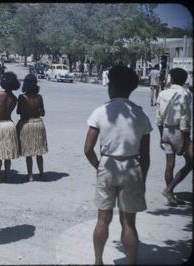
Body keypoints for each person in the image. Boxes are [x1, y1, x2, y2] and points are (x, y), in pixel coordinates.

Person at [84, 65, 152, 265]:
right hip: (132, 168)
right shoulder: (139, 114)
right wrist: (143, 179)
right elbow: (146, 155)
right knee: (129, 223)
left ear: (111, 87)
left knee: (103, 219)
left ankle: (98, 261)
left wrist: (99, 167)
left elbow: (88, 148)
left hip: (108, 165)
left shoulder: (101, 111)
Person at [156, 68, 193, 205]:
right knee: (191, 163)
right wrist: (184, 141)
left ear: (171, 78)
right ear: (184, 80)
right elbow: (185, 119)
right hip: (179, 132)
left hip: (166, 131)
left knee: (169, 165)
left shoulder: (163, 93)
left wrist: (161, 137)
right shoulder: (185, 93)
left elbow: (158, 118)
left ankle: (170, 195)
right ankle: (169, 189)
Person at [16, 74, 48, 182]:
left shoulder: (22, 97)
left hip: (26, 124)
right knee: (39, 151)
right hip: (38, 124)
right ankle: (41, 173)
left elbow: (18, 112)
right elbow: (43, 113)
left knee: (28, 152)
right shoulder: (39, 97)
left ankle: (30, 175)